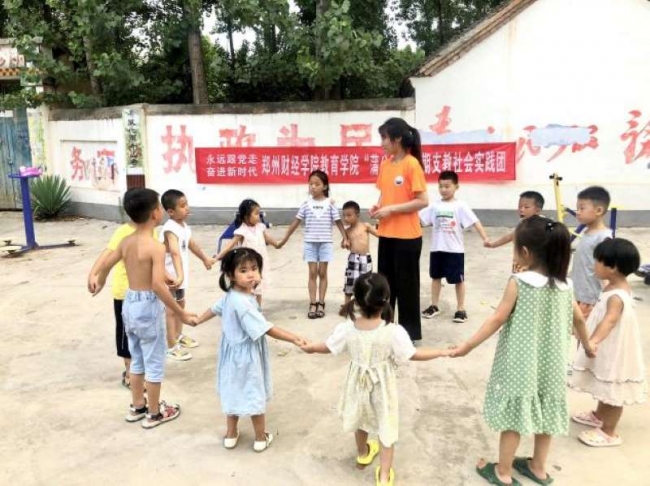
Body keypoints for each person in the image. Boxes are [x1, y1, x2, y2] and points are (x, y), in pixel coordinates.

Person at [449, 215, 595, 486]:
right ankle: (538, 468)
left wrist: (467, 346)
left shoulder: (519, 282)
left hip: (520, 363)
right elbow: (579, 320)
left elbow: (497, 318)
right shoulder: (566, 285)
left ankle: (502, 472)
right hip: (552, 365)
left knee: (514, 415)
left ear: (525, 252)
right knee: (547, 410)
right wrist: (587, 345)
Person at [300, 273, 450, 486]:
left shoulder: (348, 328)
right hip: (383, 387)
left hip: (357, 384)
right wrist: (442, 352)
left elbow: (328, 346)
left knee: (360, 417)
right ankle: (384, 476)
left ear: (357, 300)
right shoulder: (393, 331)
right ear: (386, 299)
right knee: (386, 426)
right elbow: (413, 354)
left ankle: (363, 453)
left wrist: (311, 348)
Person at [88, 188, 197, 428]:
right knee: (154, 362)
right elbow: (157, 286)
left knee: (136, 358)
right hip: (148, 307)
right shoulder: (156, 247)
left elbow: (108, 262)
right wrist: (181, 313)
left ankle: (138, 406)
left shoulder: (126, 241)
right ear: (156, 213)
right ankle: (155, 413)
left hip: (130, 303)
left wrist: (100, 278)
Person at [190, 248, 307, 452]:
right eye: (243, 270)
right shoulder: (243, 303)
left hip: (231, 355)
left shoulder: (232, 295)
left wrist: (199, 319)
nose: (251, 274)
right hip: (246, 357)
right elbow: (265, 328)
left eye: (254, 268)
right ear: (230, 275)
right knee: (253, 393)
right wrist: (294, 338)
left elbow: (215, 308)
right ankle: (260, 437)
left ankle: (231, 434)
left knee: (232, 390)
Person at [570, 238, 647, 447]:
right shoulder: (612, 285)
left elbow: (609, 320)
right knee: (605, 380)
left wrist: (593, 340)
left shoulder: (617, 296)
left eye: (598, 261)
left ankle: (608, 431)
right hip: (609, 345)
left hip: (614, 346)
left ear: (612, 267)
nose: (594, 264)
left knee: (613, 388)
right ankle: (599, 416)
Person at [370, 118, 428, 341]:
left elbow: (423, 200)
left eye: (384, 138)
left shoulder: (412, 165)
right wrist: (379, 206)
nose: (382, 143)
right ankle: (385, 329)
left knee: (407, 288)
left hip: (408, 238)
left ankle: (408, 335)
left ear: (397, 139)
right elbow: (385, 194)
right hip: (386, 234)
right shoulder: (385, 164)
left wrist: (392, 209)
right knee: (385, 287)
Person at [87, 221, 159, 388]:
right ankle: (129, 374)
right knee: (126, 336)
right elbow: (108, 254)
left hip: (146, 293)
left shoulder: (152, 232)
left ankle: (140, 371)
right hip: (125, 294)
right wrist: (94, 274)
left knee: (144, 334)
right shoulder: (124, 232)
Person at [419, 170, 489, 323]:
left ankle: (461, 309)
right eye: (440, 186)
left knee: (458, 280)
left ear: (456, 187)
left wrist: (485, 238)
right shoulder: (434, 206)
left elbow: (475, 221)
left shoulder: (460, 205)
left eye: (447, 186)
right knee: (435, 278)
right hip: (437, 249)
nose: (443, 189)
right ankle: (434, 305)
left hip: (454, 250)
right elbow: (419, 220)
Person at [279, 170, 349, 319]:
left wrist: (345, 238)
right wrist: (284, 239)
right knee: (312, 273)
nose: (313, 187)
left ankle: (321, 303)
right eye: (311, 184)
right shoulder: (306, 205)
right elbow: (296, 222)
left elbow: (338, 222)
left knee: (322, 273)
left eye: (317, 184)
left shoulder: (330, 204)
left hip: (325, 243)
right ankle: (312, 303)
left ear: (325, 186)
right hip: (310, 243)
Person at [159, 189, 216, 361]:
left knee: (180, 305)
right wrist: (179, 275)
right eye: (182, 206)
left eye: (187, 204)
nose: (187, 208)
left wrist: (205, 259)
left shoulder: (184, 227)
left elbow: (192, 245)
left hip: (179, 278)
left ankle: (178, 335)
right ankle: (171, 346)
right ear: (170, 211)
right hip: (170, 277)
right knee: (171, 310)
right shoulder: (170, 229)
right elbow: (175, 252)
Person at [216, 198, 281, 307]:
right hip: (247, 266)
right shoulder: (242, 231)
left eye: (259, 213)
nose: (258, 217)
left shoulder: (260, 227)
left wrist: (279, 244)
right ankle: (247, 309)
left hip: (259, 264)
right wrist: (218, 256)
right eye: (256, 214)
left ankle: (257, 310)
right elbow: (230, 245)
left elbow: (269, 239)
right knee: (248, 290)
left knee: (258, 289)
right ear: (246, 216)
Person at [571, 186, 613, 318]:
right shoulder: (587, 232)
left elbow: (607, 269)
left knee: (587, 328)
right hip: (578, 293)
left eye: (582, 208)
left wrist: (606, 297)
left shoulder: (603, 237)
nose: (577, 212)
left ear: (599, 210)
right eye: (577, 208)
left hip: (591, 298)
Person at [341, 200, 378, 309]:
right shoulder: (347, 231)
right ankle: (347, 306)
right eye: (344, 215)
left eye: (349, 215)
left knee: (366, 282)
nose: (346, 218)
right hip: (353, 258)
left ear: (357, 215)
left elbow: (379, 234)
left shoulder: (365, 226)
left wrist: (379, 223)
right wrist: (344, 243)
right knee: (350, 281)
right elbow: (343, 244)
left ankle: (365, 305)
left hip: (365, 258)